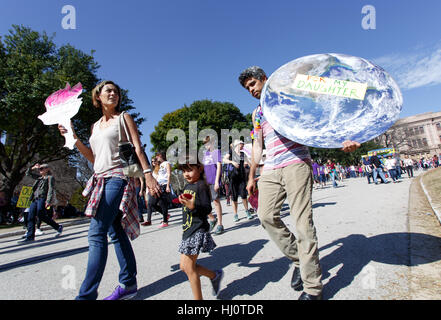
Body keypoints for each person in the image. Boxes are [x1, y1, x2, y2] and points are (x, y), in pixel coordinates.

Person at [240, 66, 361, 300]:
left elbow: (318, 124)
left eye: (253, 84)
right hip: (271, 169)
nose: (251, 90)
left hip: (296, 163)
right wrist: (251, 174)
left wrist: (342, 140)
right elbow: (257, 146)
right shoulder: (256, 114)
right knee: (265, 216)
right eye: (247, 88)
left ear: (265, 79)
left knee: (303, 224)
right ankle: (299, 259)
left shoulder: (291, 98)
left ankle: (313, 289)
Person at [58, 80, 160, 300]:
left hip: (118, 177)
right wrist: (73, 136)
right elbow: (93, 158)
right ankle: (129, 283)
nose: (113, 93)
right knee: (115, 231)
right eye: (109, 91)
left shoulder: (124, 118)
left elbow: (137, 147)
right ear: (98, 97)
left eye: (116, 91)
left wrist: (148, 174)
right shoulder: (95, 126)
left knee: (96, 232)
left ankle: (85, 296)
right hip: (99, 178)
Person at [177, 158, 223, 300]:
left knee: (189, 268)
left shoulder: (201, 186)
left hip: (197, 230)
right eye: (184, 171)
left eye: (190, 170)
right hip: (188, 230)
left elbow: (207, 208)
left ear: (200, 168)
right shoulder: (187, 186)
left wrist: (193, 207)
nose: (186, 174)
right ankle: (214, 275)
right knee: (184, 267)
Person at [18, 163, 63, 243]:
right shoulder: (39, 178)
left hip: (42, 198)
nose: (40, 170)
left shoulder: (50, 178)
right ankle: (30, 236)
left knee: (40, 214)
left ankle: (57, 226)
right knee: (31, 216)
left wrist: (48, 201)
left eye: (42, 169)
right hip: (34, 199)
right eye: (40, 169)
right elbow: (28, 173)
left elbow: (50, 189)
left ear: (47, 169)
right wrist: (33, 168)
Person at [223, 140, 254, 222]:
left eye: (243, 144)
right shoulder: (231, 152)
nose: (243, 145)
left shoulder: (243, 154)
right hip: (233, 178)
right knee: (234, 197)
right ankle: (235, 214)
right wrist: (232, 162)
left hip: (241, 177)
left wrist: (248, 164)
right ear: (237, 144)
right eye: (241, 144)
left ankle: (247, 211)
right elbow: (224, 160)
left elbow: (248, 162)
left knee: (244, 196)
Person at [202, 136, 224, 235]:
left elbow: (219, 166)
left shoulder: (216, 152)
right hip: (206, 181)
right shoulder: (205, 154)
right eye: (205, 144)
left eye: (208, 143)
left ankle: (220, 224)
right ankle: (212, 218)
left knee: (216, 201)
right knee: (203, 202)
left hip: (214, 180)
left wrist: (216, 182)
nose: (206, 145)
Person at [152, 152, 172, 227]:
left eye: (158, 156)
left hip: (164, 184)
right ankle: (165, 216)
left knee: (163, 203)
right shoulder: (159, 165)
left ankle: (165, 221)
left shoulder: (167, 163)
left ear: (161, 156)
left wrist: (167, 186)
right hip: (159, 185)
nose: (157, 158)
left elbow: (169, 174)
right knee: (153, 203)